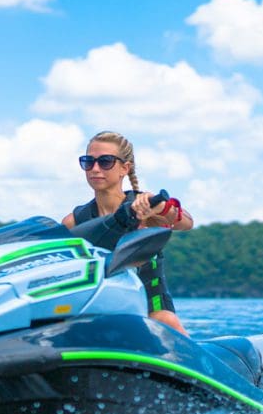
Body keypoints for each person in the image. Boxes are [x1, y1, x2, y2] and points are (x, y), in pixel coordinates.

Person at [61, 130, 194, 335]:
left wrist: (161, 208)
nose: (95, 169)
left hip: (152, 309)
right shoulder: (74, 222)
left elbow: (186, 223)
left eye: (105, 162)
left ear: (125, 168)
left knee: (164, 319)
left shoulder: (146, 206)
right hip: (100, 313)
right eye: (89, 162)